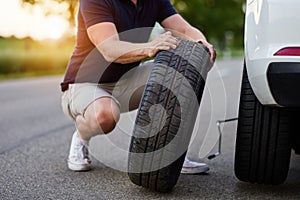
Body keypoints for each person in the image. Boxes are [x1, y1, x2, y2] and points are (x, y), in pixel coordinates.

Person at [61, 0, 216, 174]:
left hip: (127, 81)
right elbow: (109, 48)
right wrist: (149, 47)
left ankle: (170, 154)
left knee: (177, 72)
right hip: (85, 83)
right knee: (105, 115)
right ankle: (81, 137)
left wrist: (201, 44)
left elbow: (185, 30)